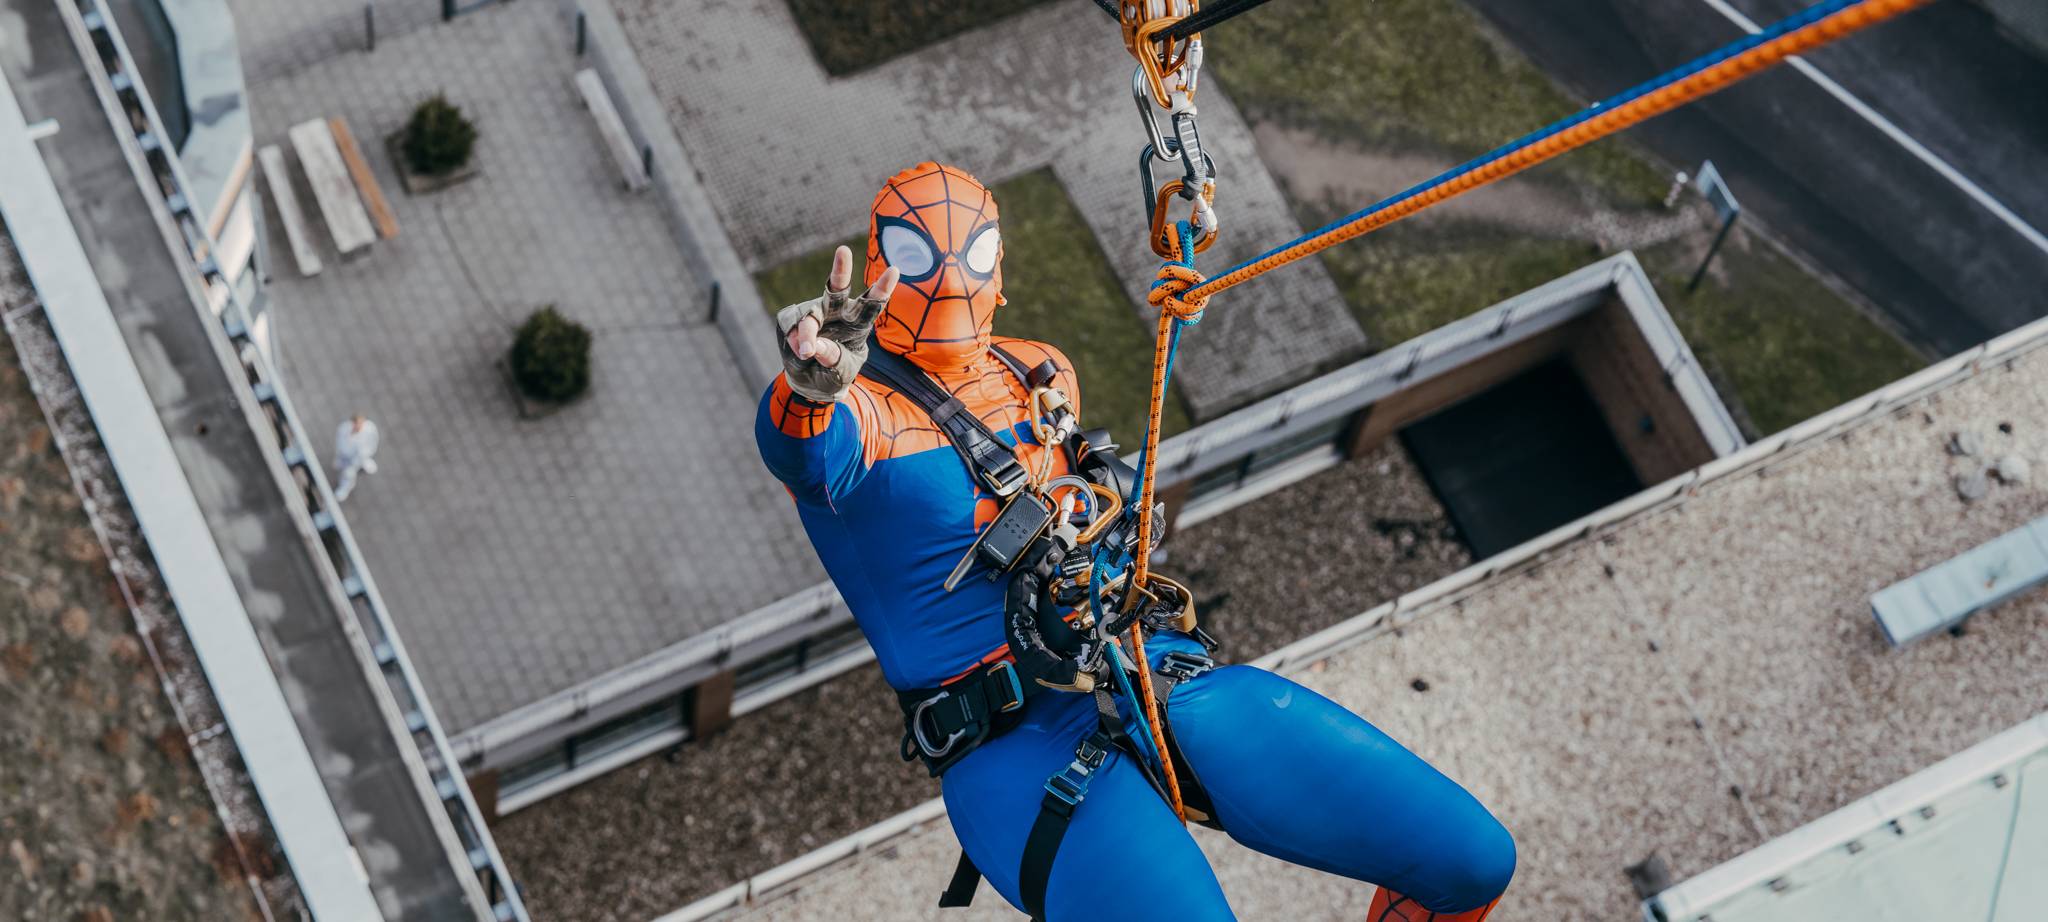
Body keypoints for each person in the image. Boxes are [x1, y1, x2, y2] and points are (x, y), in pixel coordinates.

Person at [755, 162, 1513, 921]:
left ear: (1001, 270)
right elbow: (801, 447)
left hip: (1143, 672)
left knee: (1472, 861)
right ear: (882, 262)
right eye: (919, 255)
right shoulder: (861, 417)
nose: (951, 277)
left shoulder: (1038, 369)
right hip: (1012, 749)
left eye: (974, 254)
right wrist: (808, 385)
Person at [333, 413, 380, 502]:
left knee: (349, 474)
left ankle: (345, 488)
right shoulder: (344, 428)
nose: (357, 427)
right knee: (344, 470)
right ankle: (345, 486)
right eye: (355, 424)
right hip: (345, 455)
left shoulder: (369, 430)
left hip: (359, 457)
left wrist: (355, 464)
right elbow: (339, 443)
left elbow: (372, 445)